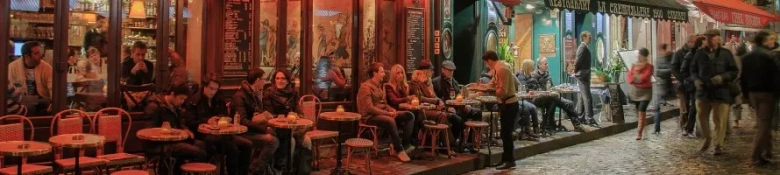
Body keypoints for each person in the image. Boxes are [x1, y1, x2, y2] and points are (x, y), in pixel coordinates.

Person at [185, 73, 252, 175]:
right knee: (231, 148)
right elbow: (190, 121)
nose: (213, 92)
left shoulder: (219, 99)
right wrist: (207, 121)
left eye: (215, 89)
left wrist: (222, 119)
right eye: (211, 88)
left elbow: (224, 115)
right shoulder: (194, 100)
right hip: (203, 135)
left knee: (247, 144)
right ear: (205, 86)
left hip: (221, 133)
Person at [690, 29, 739, 155]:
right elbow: (693, 70)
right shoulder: (700, 53)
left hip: (720, 92)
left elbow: (734, 71)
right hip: (703, 91)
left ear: (718, 38)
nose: (709, 40)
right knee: (702, 117)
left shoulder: (726, 54)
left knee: (720, 120)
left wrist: (722, 77)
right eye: (707, 38)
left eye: (712, 37)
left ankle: (718, 145)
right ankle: (707, 138)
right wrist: (695, 80)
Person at [356, 62, 415, 162]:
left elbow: (384, 103)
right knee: (390, 120)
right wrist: (388, 113)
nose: (384, 74)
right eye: (382, 72)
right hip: (370, 117)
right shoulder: (365, 88)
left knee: (409, 115)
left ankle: (404, 145)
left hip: (382, 113)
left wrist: (391, 109)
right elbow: (370, 108)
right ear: (375, 73)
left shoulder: (379, 86)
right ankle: (399, 150)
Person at [143, 85, 208, 175]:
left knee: (205, 146)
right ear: (172, 94)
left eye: (184, 99)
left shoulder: (174, 106)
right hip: (159, 144)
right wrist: (171, 131)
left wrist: (185, 130)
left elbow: (179, 124)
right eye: (181, 98)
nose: (182, 102)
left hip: (174, 141)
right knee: (199, 153)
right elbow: (149, 130)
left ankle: (183, 170)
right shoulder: (154, 107)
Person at [741, 30, 780, 166]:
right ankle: (756, 155)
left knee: (764, 122)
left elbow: (743, 78)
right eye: (770, 40)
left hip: (752, 93)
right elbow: (777, 77)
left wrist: (745, 95)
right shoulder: (770, 56)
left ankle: (768, 151)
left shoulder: (747, 57)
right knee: (764, 125)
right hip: (767, 93)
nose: (773, 42)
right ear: (764, 41)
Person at [263, 69, 312, 173]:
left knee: (307, 140)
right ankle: (285, 170)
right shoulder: (268, 93)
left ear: (288, 80)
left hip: (292, 126)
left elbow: (298, 110)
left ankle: (302, 172)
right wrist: (284, 118)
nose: (280, 81)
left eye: (283, 78)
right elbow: (269, 114)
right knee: (291, 141)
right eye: (277, 78)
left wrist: (298, 115)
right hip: (275, 127)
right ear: (274, 80)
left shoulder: (293, 93)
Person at [231, 68, 279, 173]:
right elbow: (242, 121)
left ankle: (268, 168)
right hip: (242, 132)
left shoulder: (253, 94)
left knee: (279, 134)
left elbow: (256, 111)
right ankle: (257, 170)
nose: (264, 82)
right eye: (263, 79)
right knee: (272, 141)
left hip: (251, 129)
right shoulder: (240, 96)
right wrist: (264, 128)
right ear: (257, 80)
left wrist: (264, 114)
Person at [482, 51, 519, 170]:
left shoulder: (502, 69)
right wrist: (479, 87)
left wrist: (491, 91)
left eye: (487, 63)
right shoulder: (499, 69)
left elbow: (502, 92)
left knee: (506, 133)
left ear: (489, 61)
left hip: (509, 105)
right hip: (506, 105)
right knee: (504, 133)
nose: (487, 66)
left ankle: (510, 160)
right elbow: (492, 84)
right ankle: (505, 159)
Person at [410, 69, 462, 147]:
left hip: (431, 109)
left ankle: (448, 143)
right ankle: (449, 144)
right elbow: (421, 98)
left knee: (454, 116)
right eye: (423, 75)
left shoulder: (426, 84)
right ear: (417, 76)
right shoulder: (415, 85)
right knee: (443, 115)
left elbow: (433, 96)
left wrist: (440, 103)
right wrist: (436, 101)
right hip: (422, 111)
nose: (425, 77)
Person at [528, 57, 582, 131]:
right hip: (539, 99)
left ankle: (577, 125)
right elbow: (536, 91)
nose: (547, 65)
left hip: (551, 97)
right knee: (552, 101)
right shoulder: (534, 76)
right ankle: (549, 125)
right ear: (539, 65)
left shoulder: (548, 74)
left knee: (569, 103)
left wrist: (558, 89)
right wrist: (548, 93)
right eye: (545, 64)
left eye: (547, 64)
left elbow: (552, 87)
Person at [8, 41, 53, 115]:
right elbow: (10, 90)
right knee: (30, 106)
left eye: (40, 52)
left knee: (46, 103)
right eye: (36, 53)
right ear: (27, 56)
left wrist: (53, 101)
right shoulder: (12, 67)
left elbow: (52, 87)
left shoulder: (46, 67)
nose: (40, 55)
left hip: (41, 98)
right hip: (21, 99)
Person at [680, 36, 707, 137]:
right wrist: (693, 80)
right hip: (694, 86)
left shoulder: (706, 54)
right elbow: (683, 71)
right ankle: (688, 128)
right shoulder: (690, 55)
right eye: (704, 44)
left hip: (703, 85)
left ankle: (699, 129)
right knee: (694, 108)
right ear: (700, 44)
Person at [628, 48, 654, 140]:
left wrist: (637, 78)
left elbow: (645, 77)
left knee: (641, 109)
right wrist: (635, 79)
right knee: (638, 111)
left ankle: (639, 132)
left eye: (641, 56)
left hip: (646, 92)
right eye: (639, 55)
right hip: (635, 92)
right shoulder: (633, 66)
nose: (639, 57)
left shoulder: (649, 66)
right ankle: (642, 124)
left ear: (645, 56)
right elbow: (630, 77)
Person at [672, 35, 695, 132]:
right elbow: (674, 67)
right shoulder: (679, 53)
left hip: (693, 84)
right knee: (684, 108)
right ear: (689, 42)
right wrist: (682, 78)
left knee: (693, 107)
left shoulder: (696, 53)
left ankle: (689, 127)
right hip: (683, 85)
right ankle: (684, 127)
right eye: (694, 42)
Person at [575, 31, 597, 127]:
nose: (590, 38)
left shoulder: (584, 47)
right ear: (583, 37)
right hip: (583, 75)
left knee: (581, 97)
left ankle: (580, 116)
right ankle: (589, 118)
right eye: (589, 37)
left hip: (584, 74)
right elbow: (578, 61)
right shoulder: (582, 48)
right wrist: (575, 71)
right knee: (587, 97)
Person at [653, 44, 673, 133]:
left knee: (657, 106)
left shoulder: (668, 59)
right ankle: (657, 128)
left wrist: (660, 72)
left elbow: (670, 70)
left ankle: (657, 127)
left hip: (664, 85)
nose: (660, 52)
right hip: (658, 85)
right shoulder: (658, 59)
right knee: (656, 107)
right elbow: (656, 71)